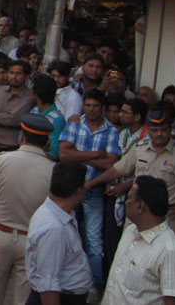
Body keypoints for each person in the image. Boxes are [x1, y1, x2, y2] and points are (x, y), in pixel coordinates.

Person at [0, 113, 57, 305]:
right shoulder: (53, 170)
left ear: (22, 136)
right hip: (32, 239)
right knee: (24, 299)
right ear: (47, 141)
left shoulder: (0, 160)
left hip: (0, 233)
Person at [84, 109, 175, 232]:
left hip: (165, 217)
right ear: (148, 130)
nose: (159, 134)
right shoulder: (139, 149)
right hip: (137, 214)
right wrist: (91, 183)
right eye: (155, 130)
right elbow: (117, 170)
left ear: (170, 129)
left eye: (164, 130)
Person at [56, 89, 119, 293]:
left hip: (94, 190)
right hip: (71, 188)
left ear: (103, 108)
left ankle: (94, 286)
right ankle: (64, 282)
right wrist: (95, 155)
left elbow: (111, 163)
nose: (91, 109)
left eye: (95, 106)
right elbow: (63, 154)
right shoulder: (75, 123)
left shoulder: (112, 131)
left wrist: (79, 154)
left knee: (94, 241)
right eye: (88, 105)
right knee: (66, 234)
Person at [101, 176, 175, 305]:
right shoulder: (130, 231)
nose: (126, 202)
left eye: (129, 198)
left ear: (140, 206)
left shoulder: (171, 251)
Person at [25, 162, 93, 305]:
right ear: (78, 191)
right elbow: (48, 286)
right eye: (85, 183)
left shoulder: (61, 215)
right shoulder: (53, 228)